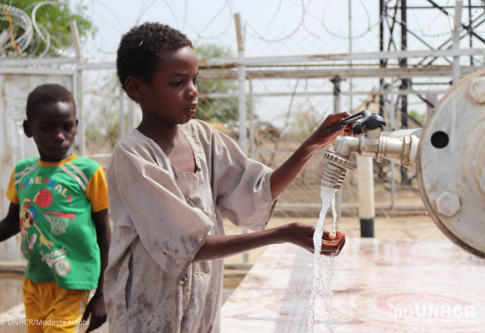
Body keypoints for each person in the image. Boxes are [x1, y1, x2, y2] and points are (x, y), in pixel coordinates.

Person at [104, 22, 351, 333]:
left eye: (195, 79)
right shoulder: (133, 155)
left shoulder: (203, 138)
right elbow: (188, 246)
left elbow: (255, 192)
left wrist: (312, 144)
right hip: (146, 313)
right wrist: (282, 233)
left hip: (200, 310)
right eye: (178, 82)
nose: (192, 91)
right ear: (136, 87)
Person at [0, 84, 110, 333]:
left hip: (73, 280)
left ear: (76, 124)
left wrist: (102, 292)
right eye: (46, 128)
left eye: (67, 126)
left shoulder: (88, 172)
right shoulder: (22, 172)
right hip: (35, 280)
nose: (59, 135)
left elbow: (104, 231)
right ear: (28, 129)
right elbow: (13, 222)